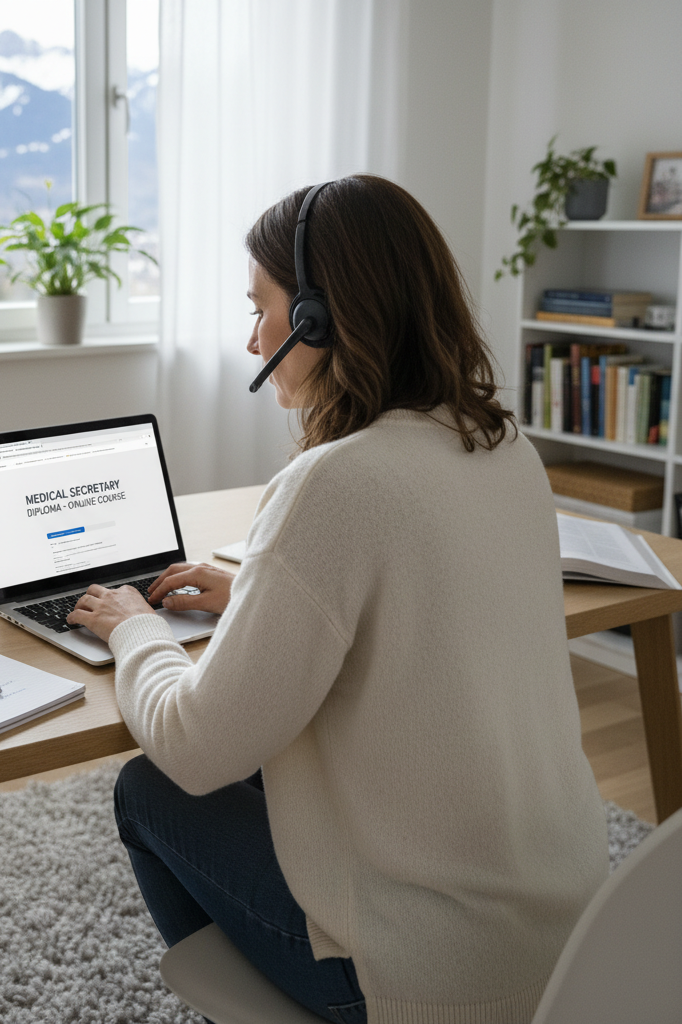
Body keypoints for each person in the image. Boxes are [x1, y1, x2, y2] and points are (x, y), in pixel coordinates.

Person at [67, 175, 608, 1024]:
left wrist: (138, 630)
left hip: (430, 981)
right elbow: (429, 610)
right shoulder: (504, 446)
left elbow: (197, 750)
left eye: (262, 308)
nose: (253, 339)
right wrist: (258, 595)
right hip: (571, 941)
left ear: (318, 318)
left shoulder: (335, 483)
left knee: (150, 787)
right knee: (268, 749)